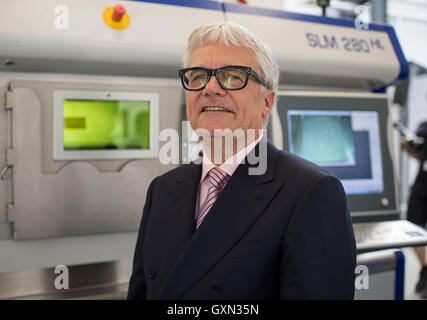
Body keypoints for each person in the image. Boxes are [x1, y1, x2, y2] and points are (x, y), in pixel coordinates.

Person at [127, 21, 356, 300]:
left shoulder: (311, 192)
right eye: (198, 76)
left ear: (267, 102)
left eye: (233, 77)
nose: (210, 88)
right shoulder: (162, 189)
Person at [401, 120, 427, 298]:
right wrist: (407, 147)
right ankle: (425, 269)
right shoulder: (424, 127)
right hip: (422, 186)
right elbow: (416, 154)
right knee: (413, 228)